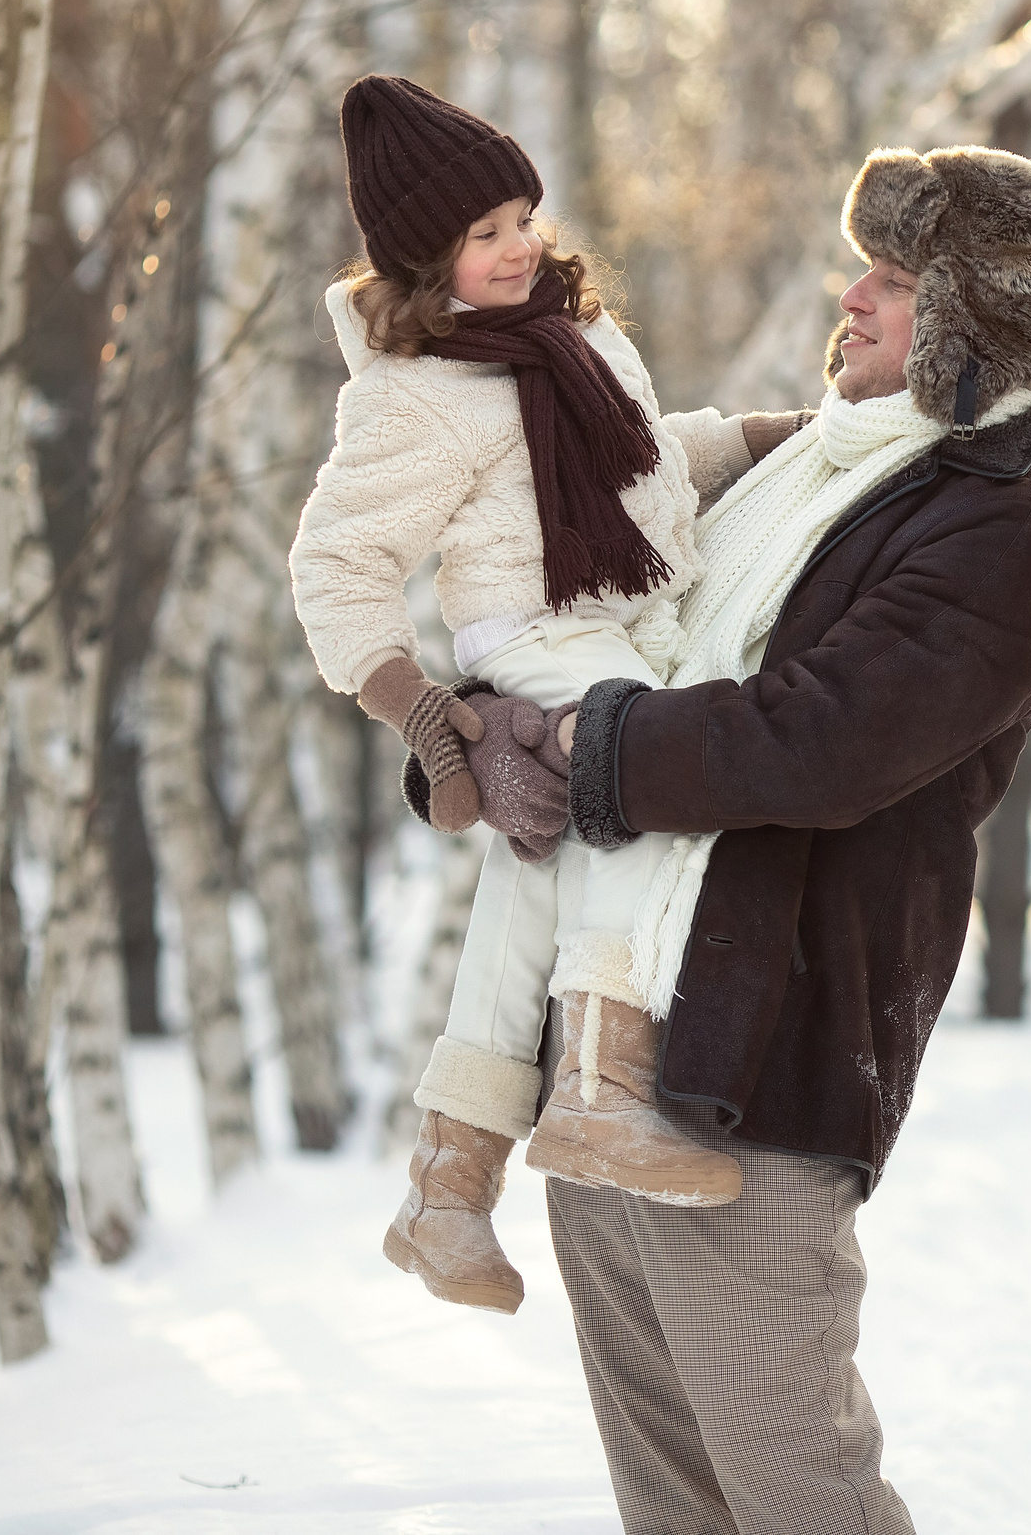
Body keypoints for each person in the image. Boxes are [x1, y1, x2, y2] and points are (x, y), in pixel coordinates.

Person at [417, 143, 1031, 1534]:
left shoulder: (993, 531)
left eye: (900, 281)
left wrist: (592, 747)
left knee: (795, 1487)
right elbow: (612, 642)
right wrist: (483, 738)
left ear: (978, 329)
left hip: (762, 1065)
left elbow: (821, 734)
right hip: (598, 1040)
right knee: (673, 1498)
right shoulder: (779, 477)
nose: (851, 295)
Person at [290, 76, 786, 1315]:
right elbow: (337, 562)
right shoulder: (414, 394)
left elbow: (635, 462)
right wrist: (418, 709)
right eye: (483, 233)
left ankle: (448, 1186)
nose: (519, 247)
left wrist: (769, 440)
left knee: (540, 876)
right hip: (541, 638)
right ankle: (599, 1095)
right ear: (424, 257)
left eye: (522, 216)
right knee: (647, 788)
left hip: (625, 616)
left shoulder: (573, 335)